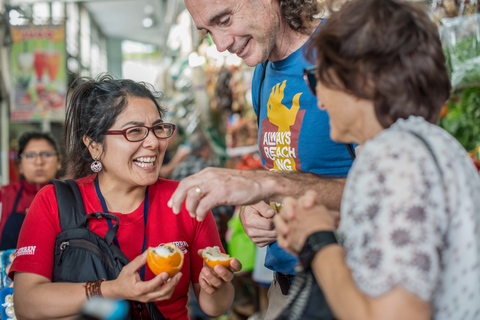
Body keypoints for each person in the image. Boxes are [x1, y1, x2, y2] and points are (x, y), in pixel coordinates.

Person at [273, 0, 480, 319]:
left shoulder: (393, 158)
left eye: (318, 79)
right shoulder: (432, 144)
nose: (320, 101)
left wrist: (318, 239)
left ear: (361, 79)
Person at [169, 0, 353, 318]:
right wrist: (254, 206)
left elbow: (391, 191)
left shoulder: (344, 55)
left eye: (224, 20)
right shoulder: (262, 72)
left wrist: (265, 184)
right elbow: (282, 167)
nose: (221, 44)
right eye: (208, 31)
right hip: (285, 284)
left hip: (348, 286)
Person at [9, 75, 241, 320]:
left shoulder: (186, 199)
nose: (153, 142)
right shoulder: (53, 202)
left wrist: (217, 284)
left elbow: (215, 306)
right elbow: (26, 303)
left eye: (158, 129)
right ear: (94, 145)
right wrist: (110, 289)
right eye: (135, 131)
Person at [0, 132, 62, 250]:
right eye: (30, 155)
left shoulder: (72, 194)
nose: (39, 162)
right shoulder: (5, 195)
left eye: (46, 154)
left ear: (59, 161)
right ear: (20, 165)